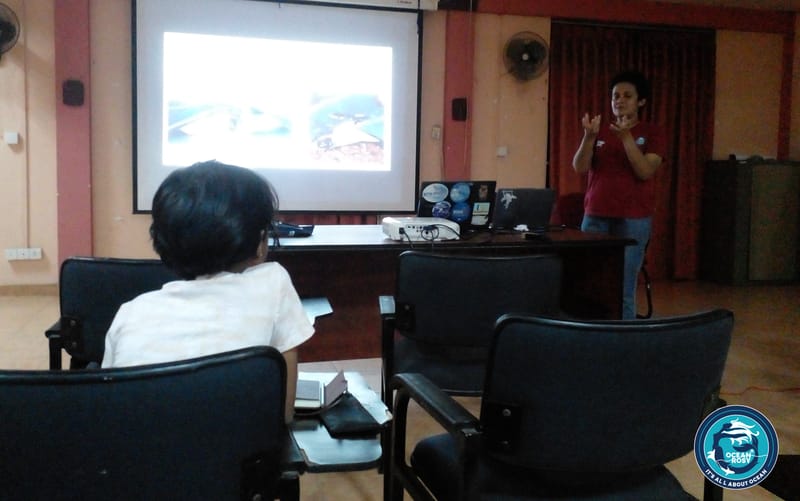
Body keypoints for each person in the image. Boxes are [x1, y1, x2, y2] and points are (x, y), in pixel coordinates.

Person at [102, 160, 314, 422]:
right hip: (241, 459)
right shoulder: (273, 282)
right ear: (260, 242)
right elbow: (283, 416)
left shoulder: (130, 313)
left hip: (139, 458)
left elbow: (110, 405)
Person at [572, 70, 666, 319]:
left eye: (627, 96)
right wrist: (588, 137)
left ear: (641, 101)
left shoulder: (653, 133)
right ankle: (591, 334)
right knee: (589, 280)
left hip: (633, 219)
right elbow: (580, 167)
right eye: (615, 96)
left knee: (623, 285)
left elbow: (645, 171)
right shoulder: (599, 131)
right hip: (595, 216)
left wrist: (626, 138)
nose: (619, 100)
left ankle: (625, 342)